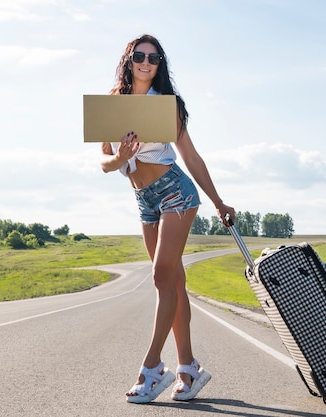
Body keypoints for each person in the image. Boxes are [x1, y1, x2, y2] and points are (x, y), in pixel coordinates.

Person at [100, 34, 236, 403]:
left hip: (176, 192)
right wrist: (122, 155)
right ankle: (189, 368)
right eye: (139, 55)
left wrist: (219, 202)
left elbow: (190, 156)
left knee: (162, 277)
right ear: (128, 60)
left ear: (160, 64)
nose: (146, 61)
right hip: (144, 200)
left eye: (154, 57)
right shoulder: (111, 103)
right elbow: (106, 163)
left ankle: (152, 367)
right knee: (173, 282)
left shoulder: (167, 105)